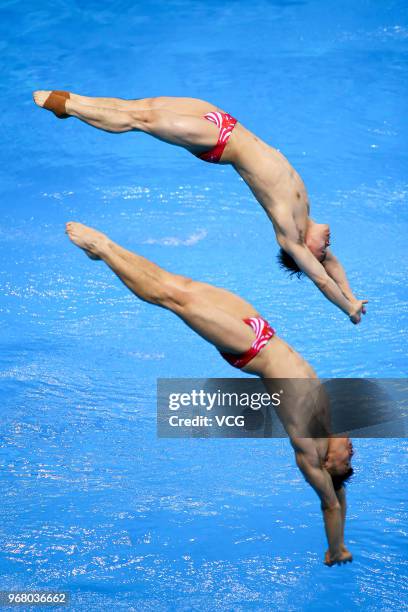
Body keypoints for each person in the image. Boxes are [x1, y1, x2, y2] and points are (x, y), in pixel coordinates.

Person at [65, 221, 354, 566]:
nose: (352, 450)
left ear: (326, 465)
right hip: (261, 329)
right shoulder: (328, 424)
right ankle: (108, 255)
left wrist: (335, 548)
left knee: (173, 299)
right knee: (177, 284)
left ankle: (104, 249)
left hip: (251, 349)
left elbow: (331, 502)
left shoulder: (310, 450)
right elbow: (341, 493)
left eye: (346, 460)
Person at [34, 90, 368, 324]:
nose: (329, 246)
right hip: (226, 121)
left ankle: (71, 106)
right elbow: (334, 268)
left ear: (307, 254)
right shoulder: (305, 217)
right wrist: (352, 294)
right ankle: (74, 104)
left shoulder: (291, 238)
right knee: (141, 107)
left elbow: (324, 279)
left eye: (322, 252)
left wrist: (347, 308)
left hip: (218, 142)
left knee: (142, 120)